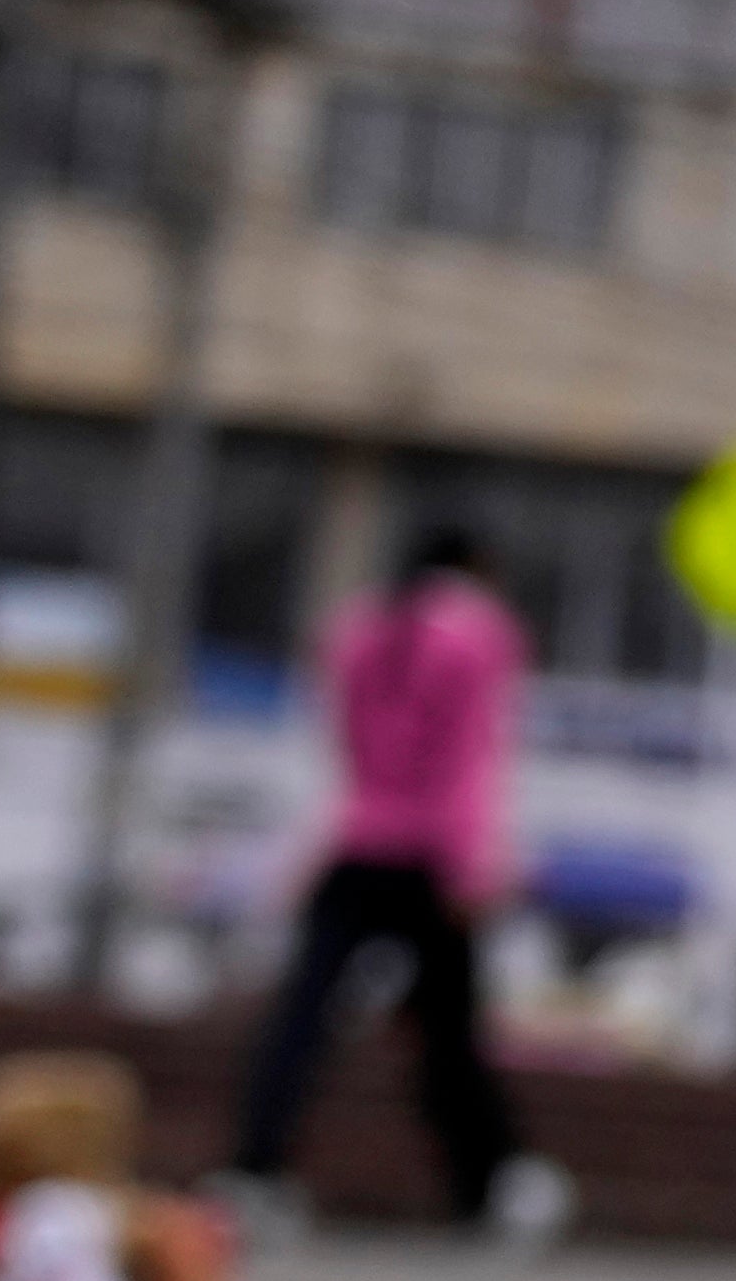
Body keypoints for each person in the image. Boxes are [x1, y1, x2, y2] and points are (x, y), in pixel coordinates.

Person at [230, 526, 552, 1235]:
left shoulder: (354, 629)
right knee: (451, 1032)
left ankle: (254, 1169)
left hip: (354, 845)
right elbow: (474, 758)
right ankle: (491, 1183)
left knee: (303, 1018)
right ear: (478, 567)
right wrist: (474, 865)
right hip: (435, 861)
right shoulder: (482, 634)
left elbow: (343, 750)